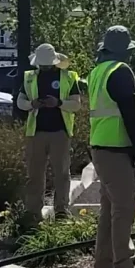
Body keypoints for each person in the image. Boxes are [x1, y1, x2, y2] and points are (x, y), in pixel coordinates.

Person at [87, 25, 135, 268]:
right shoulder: (120, 72)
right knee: (123, 211)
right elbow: (130, 116)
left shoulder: (97, 72)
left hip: (100, 147)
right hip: (116, 149)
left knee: (108, 212)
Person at [16, 43, 81, 221]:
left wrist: (58, 103)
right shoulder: (29, 77)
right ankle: (33, 211)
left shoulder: (68, 77)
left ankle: (61, 210)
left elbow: (76, 104)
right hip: (36, 132)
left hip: (60, 132)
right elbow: (20, 101)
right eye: (42, 64)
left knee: (61, 173)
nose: (44, 67)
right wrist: (31, 104)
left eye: (47, 64)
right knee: (34, 174)